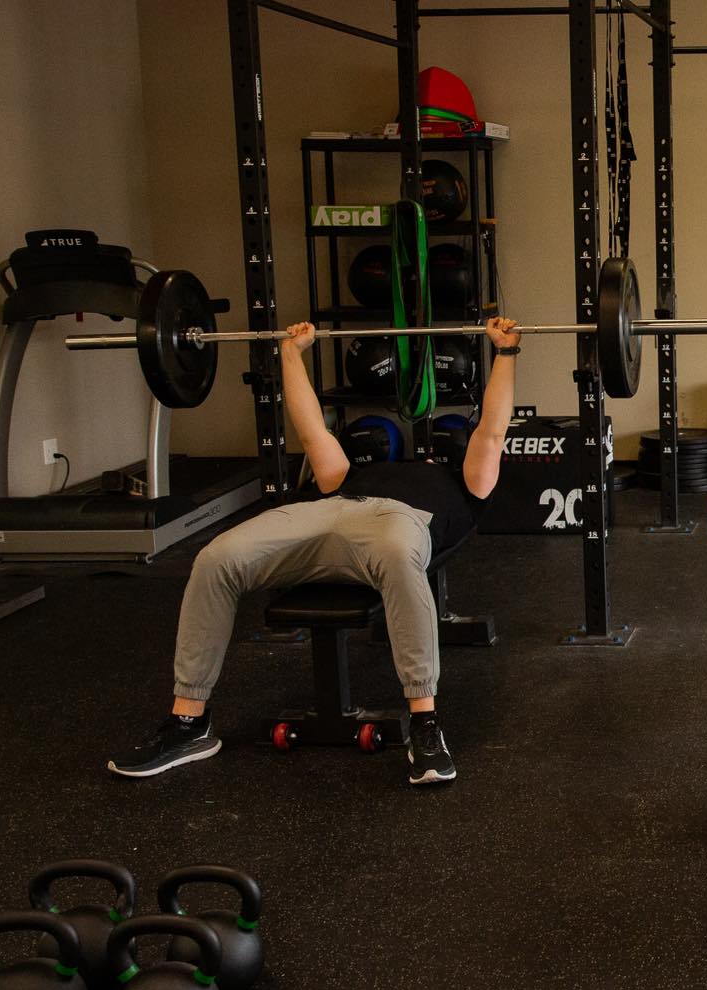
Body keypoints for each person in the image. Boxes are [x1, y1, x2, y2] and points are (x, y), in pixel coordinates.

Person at [108, 314, 522, 785]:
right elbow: (312, 434)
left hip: (398, 524)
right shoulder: (350, 473)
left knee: (397, 556)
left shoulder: (467, 486)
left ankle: (425, 725)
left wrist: (505, 353)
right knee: (216, 558)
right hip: (329, 510)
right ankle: (188, 722)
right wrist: (290, 354)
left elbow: (491, 430)